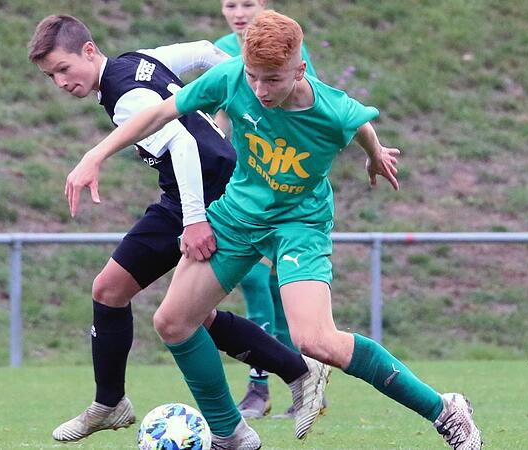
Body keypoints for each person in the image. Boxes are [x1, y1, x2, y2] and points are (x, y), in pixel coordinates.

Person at [64, 10, 483, 450]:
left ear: (299, 70)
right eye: (253, 77)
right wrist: (95, 155)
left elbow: (360, 122)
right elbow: (159, 114)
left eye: (273, 80)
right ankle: (230, 434)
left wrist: (375, 153)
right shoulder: (232, 78)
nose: (260, 90)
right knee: (173, 322)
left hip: (300, 224)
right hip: (238, 214)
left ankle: (445, 410)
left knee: (315, 341)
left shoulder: (331, 108)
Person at [27, 15, 329, 449]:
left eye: (63, 68)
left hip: (202, 196)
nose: (60, 82)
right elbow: (205, 50)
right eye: (50, 76)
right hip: (208, 187)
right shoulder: (138, 61)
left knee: (127, 297)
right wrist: (247, 92)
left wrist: (194, 220)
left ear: (89, 51)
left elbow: (183, 145)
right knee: (179, 311)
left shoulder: (125, 96)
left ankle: (115, 404)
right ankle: (292, 375)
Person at [214, 0, 322, 420]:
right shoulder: (221, 50)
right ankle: (264, 388)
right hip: (239, 188)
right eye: (231, 4)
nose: (239, 12)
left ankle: (296, 382)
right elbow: (218, 110)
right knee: (257, 285)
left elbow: (308, 116)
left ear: (264, 5)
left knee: (278, 294)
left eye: (248, 3)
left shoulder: (292, 53)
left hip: (279, 188)